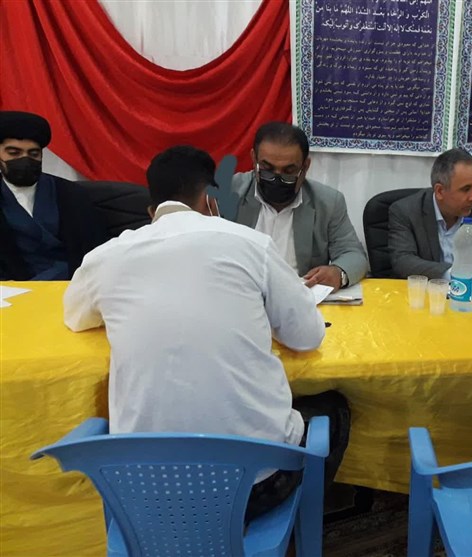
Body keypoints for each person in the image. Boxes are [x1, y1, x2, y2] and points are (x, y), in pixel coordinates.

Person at [63, 146, 350, 522]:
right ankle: (294, 526)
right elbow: (308, 336)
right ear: (210, 200)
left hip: (146, 494)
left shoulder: (107, 256)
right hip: (253, 488)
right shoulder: (250, 244)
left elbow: (75, 317)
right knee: (333, 406)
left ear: (151, 211)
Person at [231, 122, 367, 292]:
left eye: (289, 172)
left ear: (305, 166)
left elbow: (354, 255)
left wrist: (338, 273)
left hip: (298, 296)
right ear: (254, 159)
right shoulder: (228, 193)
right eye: (267, 169)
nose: (277, 179)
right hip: (239, 292)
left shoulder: (328, 202)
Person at [0, 110, 107, 280]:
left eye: (33, 154)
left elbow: (94, 251)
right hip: (12, 288)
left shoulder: (72, 194)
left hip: (71, 283)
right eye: (14, 153)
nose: (25, 159)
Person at [388, 147, 472, 292]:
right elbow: (403, 262)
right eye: (466, 189)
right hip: (424, 298)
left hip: (468, 301)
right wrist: (457, 274)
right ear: (440, 191)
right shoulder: (406, 211)